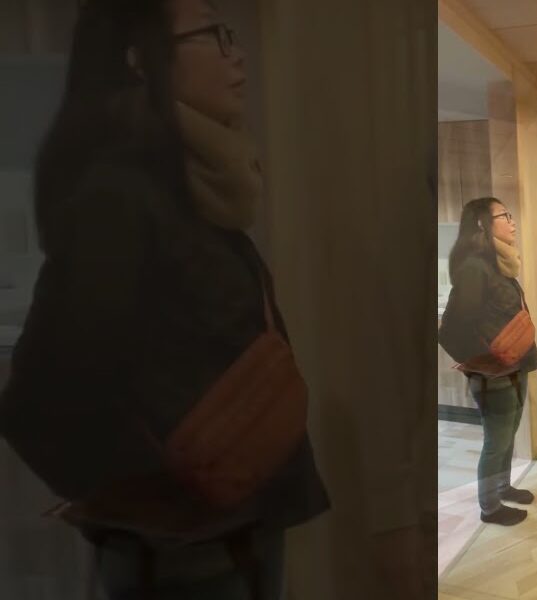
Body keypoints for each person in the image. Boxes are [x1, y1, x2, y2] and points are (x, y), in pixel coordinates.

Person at [0, 1, 330, 597]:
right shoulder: (118, 196)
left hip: (238, 526)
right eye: (213, 35)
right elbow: (39, 397)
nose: (236, 53)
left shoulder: (187, 181)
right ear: (140, 59)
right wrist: (158, 503)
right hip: (191, 557)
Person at [439, 197, 537, 527]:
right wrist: (484, 363)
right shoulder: (475, 268)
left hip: (516, 362)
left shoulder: (499, 263)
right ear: (483, 224)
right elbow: (451, 329)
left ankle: (502, 487)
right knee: (496, 440)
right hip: (494, 371)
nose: (512, 221)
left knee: (508, 433)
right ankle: (490, 507)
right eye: (504, 215)